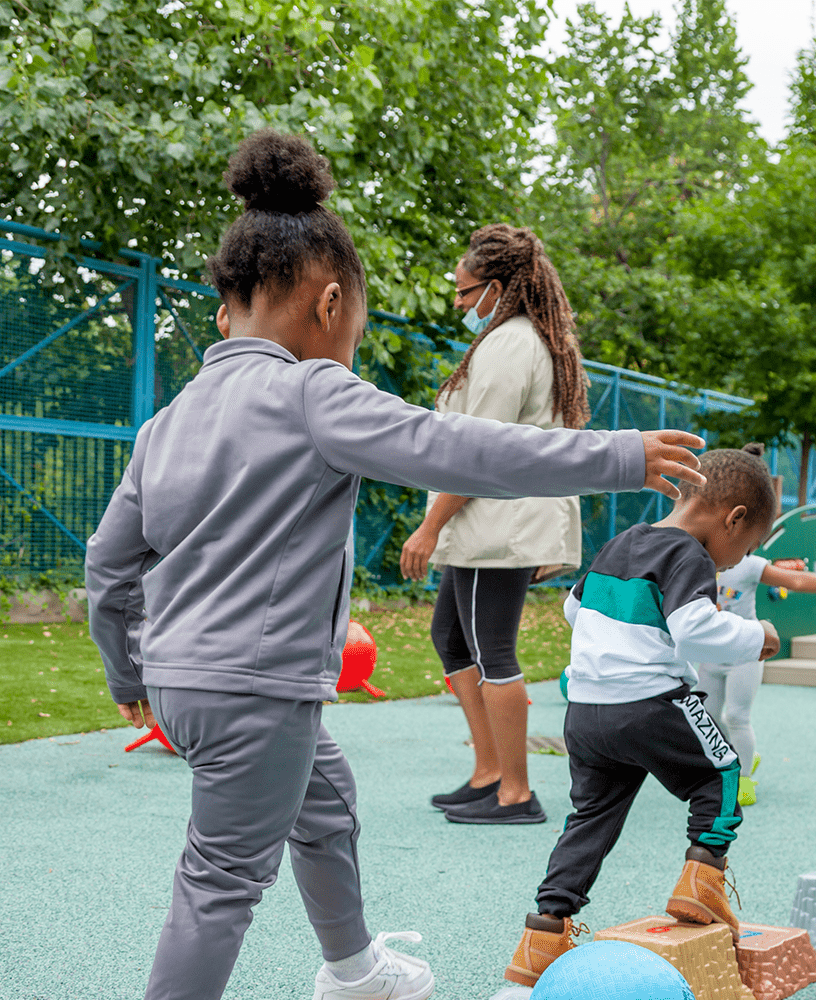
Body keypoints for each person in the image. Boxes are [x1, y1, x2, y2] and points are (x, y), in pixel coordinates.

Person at [85, 129, 706, 1000]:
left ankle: (356, 972)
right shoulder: (311, 391)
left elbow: (108, 564)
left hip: (187, 684)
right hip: (256, 691)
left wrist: (127, 672)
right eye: (357, 323)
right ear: (330, 303)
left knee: (324, 795)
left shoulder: (167, 423)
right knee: (220, 883)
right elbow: (458, 449)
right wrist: (618, 456)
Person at [504, 448, 781, 988]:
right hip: (651, 702)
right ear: (735, 517)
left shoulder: (623, 542)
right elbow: (696, 631)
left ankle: (544, 932)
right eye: (743, 549)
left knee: (591, 817)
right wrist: (758, 635)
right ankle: (702, 881)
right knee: (721, 772)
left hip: (586, 713)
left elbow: (573, 609)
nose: (732, 564)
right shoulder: (690, 556)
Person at [399, 224, 590, 826]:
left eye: (464, 292)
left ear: (498, 287)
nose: (457, 303)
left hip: (498, 527)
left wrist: (428, 527)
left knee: (493, 653)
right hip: (488, 524)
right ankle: (488, 774)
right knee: (452, 640)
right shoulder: (513, 339)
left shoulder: (511, 343)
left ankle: (515, 792)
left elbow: (477, 453)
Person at [694, 446, 816, 807]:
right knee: (707, 716)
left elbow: (799, 582)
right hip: (712, 652)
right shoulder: (699, 558)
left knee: (737, 715)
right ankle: (730, 763)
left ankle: (743, 779)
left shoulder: (749, 564)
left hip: (746, 649)